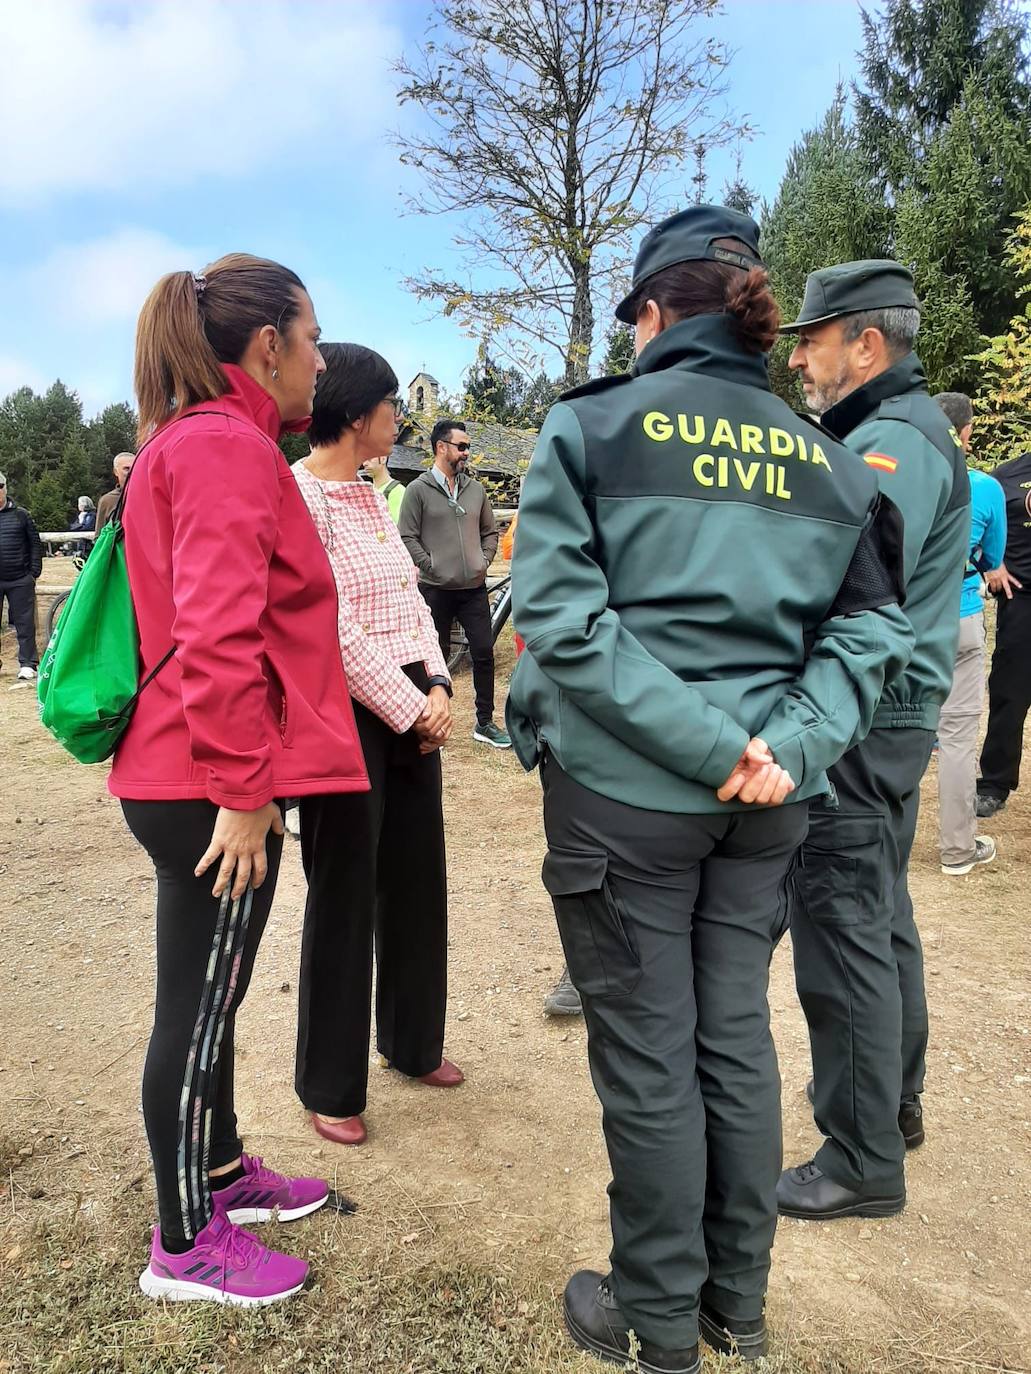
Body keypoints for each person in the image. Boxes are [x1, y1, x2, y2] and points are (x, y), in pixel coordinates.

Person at [507, 206, 912, 1371]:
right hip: (769, 801)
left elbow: (563, 625)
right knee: (730, 1037)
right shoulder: (830, 462)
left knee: (649, 1053)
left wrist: (707, 745)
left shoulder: (589, 428)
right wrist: (777, 744)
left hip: (628, 799)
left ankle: (653, 1319)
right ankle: (734, 1307)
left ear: (647, 312)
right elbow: (872, 633)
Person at [111, 253, 368, 1307]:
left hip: (192, 769)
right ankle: (183, 1242)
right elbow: (219, 634)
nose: (318, 361)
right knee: (199, 1008)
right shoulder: (222, 448)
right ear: (268, 347)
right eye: (311, 340)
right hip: (206, 781)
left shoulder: (209, 440)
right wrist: (243, 789)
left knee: (208, 996)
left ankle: (220, 1173)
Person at [779, 261, 970, 1222]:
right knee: (881, 915)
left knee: (842, 923)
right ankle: (891, 1107)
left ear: (866, 342)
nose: (800, 360)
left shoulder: (890, 439)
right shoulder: (910, 430)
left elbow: (852, 573)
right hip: (893, 714)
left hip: (861, 712)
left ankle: (859, 1158)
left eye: (811, 340)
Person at [292, 343, 464, 1148]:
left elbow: (408, 595)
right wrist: (407, 705)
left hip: (408, 703)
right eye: (392, 405)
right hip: (343, 712)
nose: (400, 419)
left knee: (413, 876)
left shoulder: (370, 495)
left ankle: (412, 1040)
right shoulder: (298, 495)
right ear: (357, 413)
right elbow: (327, 621)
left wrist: (438, 683)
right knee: (344, 891)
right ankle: (329, 1081)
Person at [399, 419, 511, 747]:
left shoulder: (475, 490)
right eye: (461, 446)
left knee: (483, 653)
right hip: (435, 589)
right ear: (441, 447)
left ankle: (485, 723)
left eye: (468, 447)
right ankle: (429, 725)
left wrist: (483, 560)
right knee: (435, 658)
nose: (466, 453)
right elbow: (407, 535)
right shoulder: (418, 490)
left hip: (472, 589)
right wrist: (429, 564)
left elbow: (490, 532)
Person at [934, 392, 1004, 875]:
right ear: (967, 433)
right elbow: (992, 558)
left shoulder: (894, 475)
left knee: (894, 731)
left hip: (902, 618)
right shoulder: (985, 486)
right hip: (958, 618)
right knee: (957, 738)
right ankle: (958, 850)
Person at [975, 450, 1031, 819]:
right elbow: (975, 528)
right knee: (1010, 694)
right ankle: (994, 783)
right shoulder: (1005, 477)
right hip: (1024, 601)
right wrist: (993, 565)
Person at [0, 471, 43, 681]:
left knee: (24, 623)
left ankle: (28, 663)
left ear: (5, 488)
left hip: (20, 579)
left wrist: (33, 572)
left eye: (0, 486)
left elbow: (35, 544)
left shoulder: (21, 515)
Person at [96, 451, 136, 533]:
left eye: (135, 468)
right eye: (126, 469)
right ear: (116, 471)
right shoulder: (108, 501)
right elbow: (100, 536)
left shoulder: (148, 497)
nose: (131, 472)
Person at [362, 453, 405, 522]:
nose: (364, 463)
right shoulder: (367, 491)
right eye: (363, 459)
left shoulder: (398, 491)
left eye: (369, 458)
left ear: (383, 459)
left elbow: (397, 527)